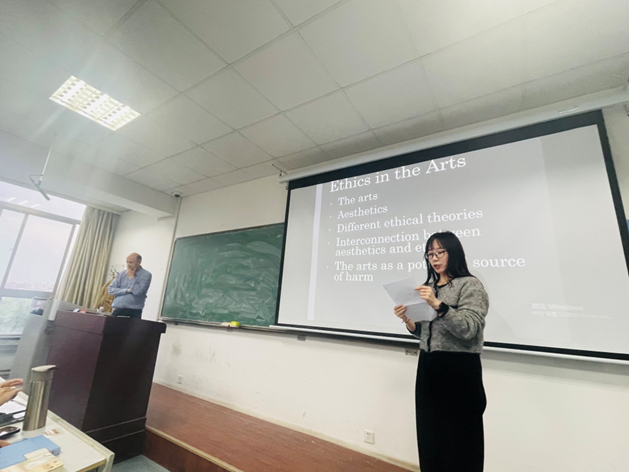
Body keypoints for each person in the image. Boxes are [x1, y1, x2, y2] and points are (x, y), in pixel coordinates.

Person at [394, 231, 489, 472]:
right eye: (430, 254)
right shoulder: (428, 287)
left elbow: (469, 328)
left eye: (440, 252)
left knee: (460, 440)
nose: (434, 258)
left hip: (459, 370)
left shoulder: (470, 285)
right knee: (430, 436)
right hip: (428, 365)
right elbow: (426, 332)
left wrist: (438, 305)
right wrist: (409, 321)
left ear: (453, 253)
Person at [108, 253, 152, 319]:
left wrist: (132, 277)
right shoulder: (122, 274)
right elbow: (110, 290)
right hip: (118, 309)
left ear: (139, 262)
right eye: (127, 262)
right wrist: (126, 291)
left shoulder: (146, 275)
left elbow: (137, 292)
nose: (128, 265)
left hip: (133, 311)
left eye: (131, 262)